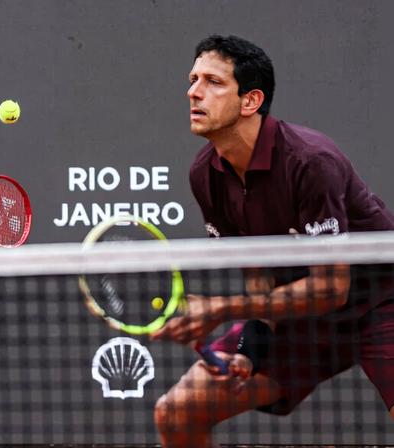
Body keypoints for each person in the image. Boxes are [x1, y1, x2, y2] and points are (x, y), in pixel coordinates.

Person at [150, 34, 394, 447]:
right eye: (193, 79)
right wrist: (249, 346)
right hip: (303, 323)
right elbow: (259, 277)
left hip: (380, 305)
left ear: (250, 101)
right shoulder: (205, 175)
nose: (193, 91)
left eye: (213, 81)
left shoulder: (311, 162)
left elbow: (331, 288)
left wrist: (223, 309)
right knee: (176, 413)